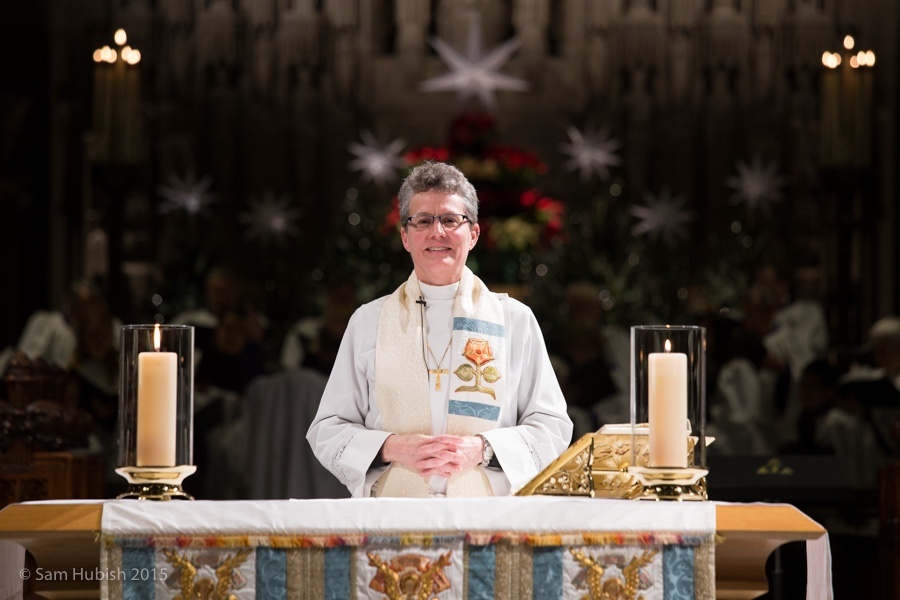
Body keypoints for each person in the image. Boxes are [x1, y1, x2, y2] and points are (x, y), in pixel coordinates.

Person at [307, 161, 573, 498]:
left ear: (473, 234)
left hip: (485, 517)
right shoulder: (369, 321)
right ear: (405, 237)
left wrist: (483, 449)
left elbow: (552, 427)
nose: (437, 232)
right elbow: (328, 429)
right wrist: (393, 448)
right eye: (423, 221)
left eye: (450, 220)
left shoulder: (514, 320)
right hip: (392, 517)